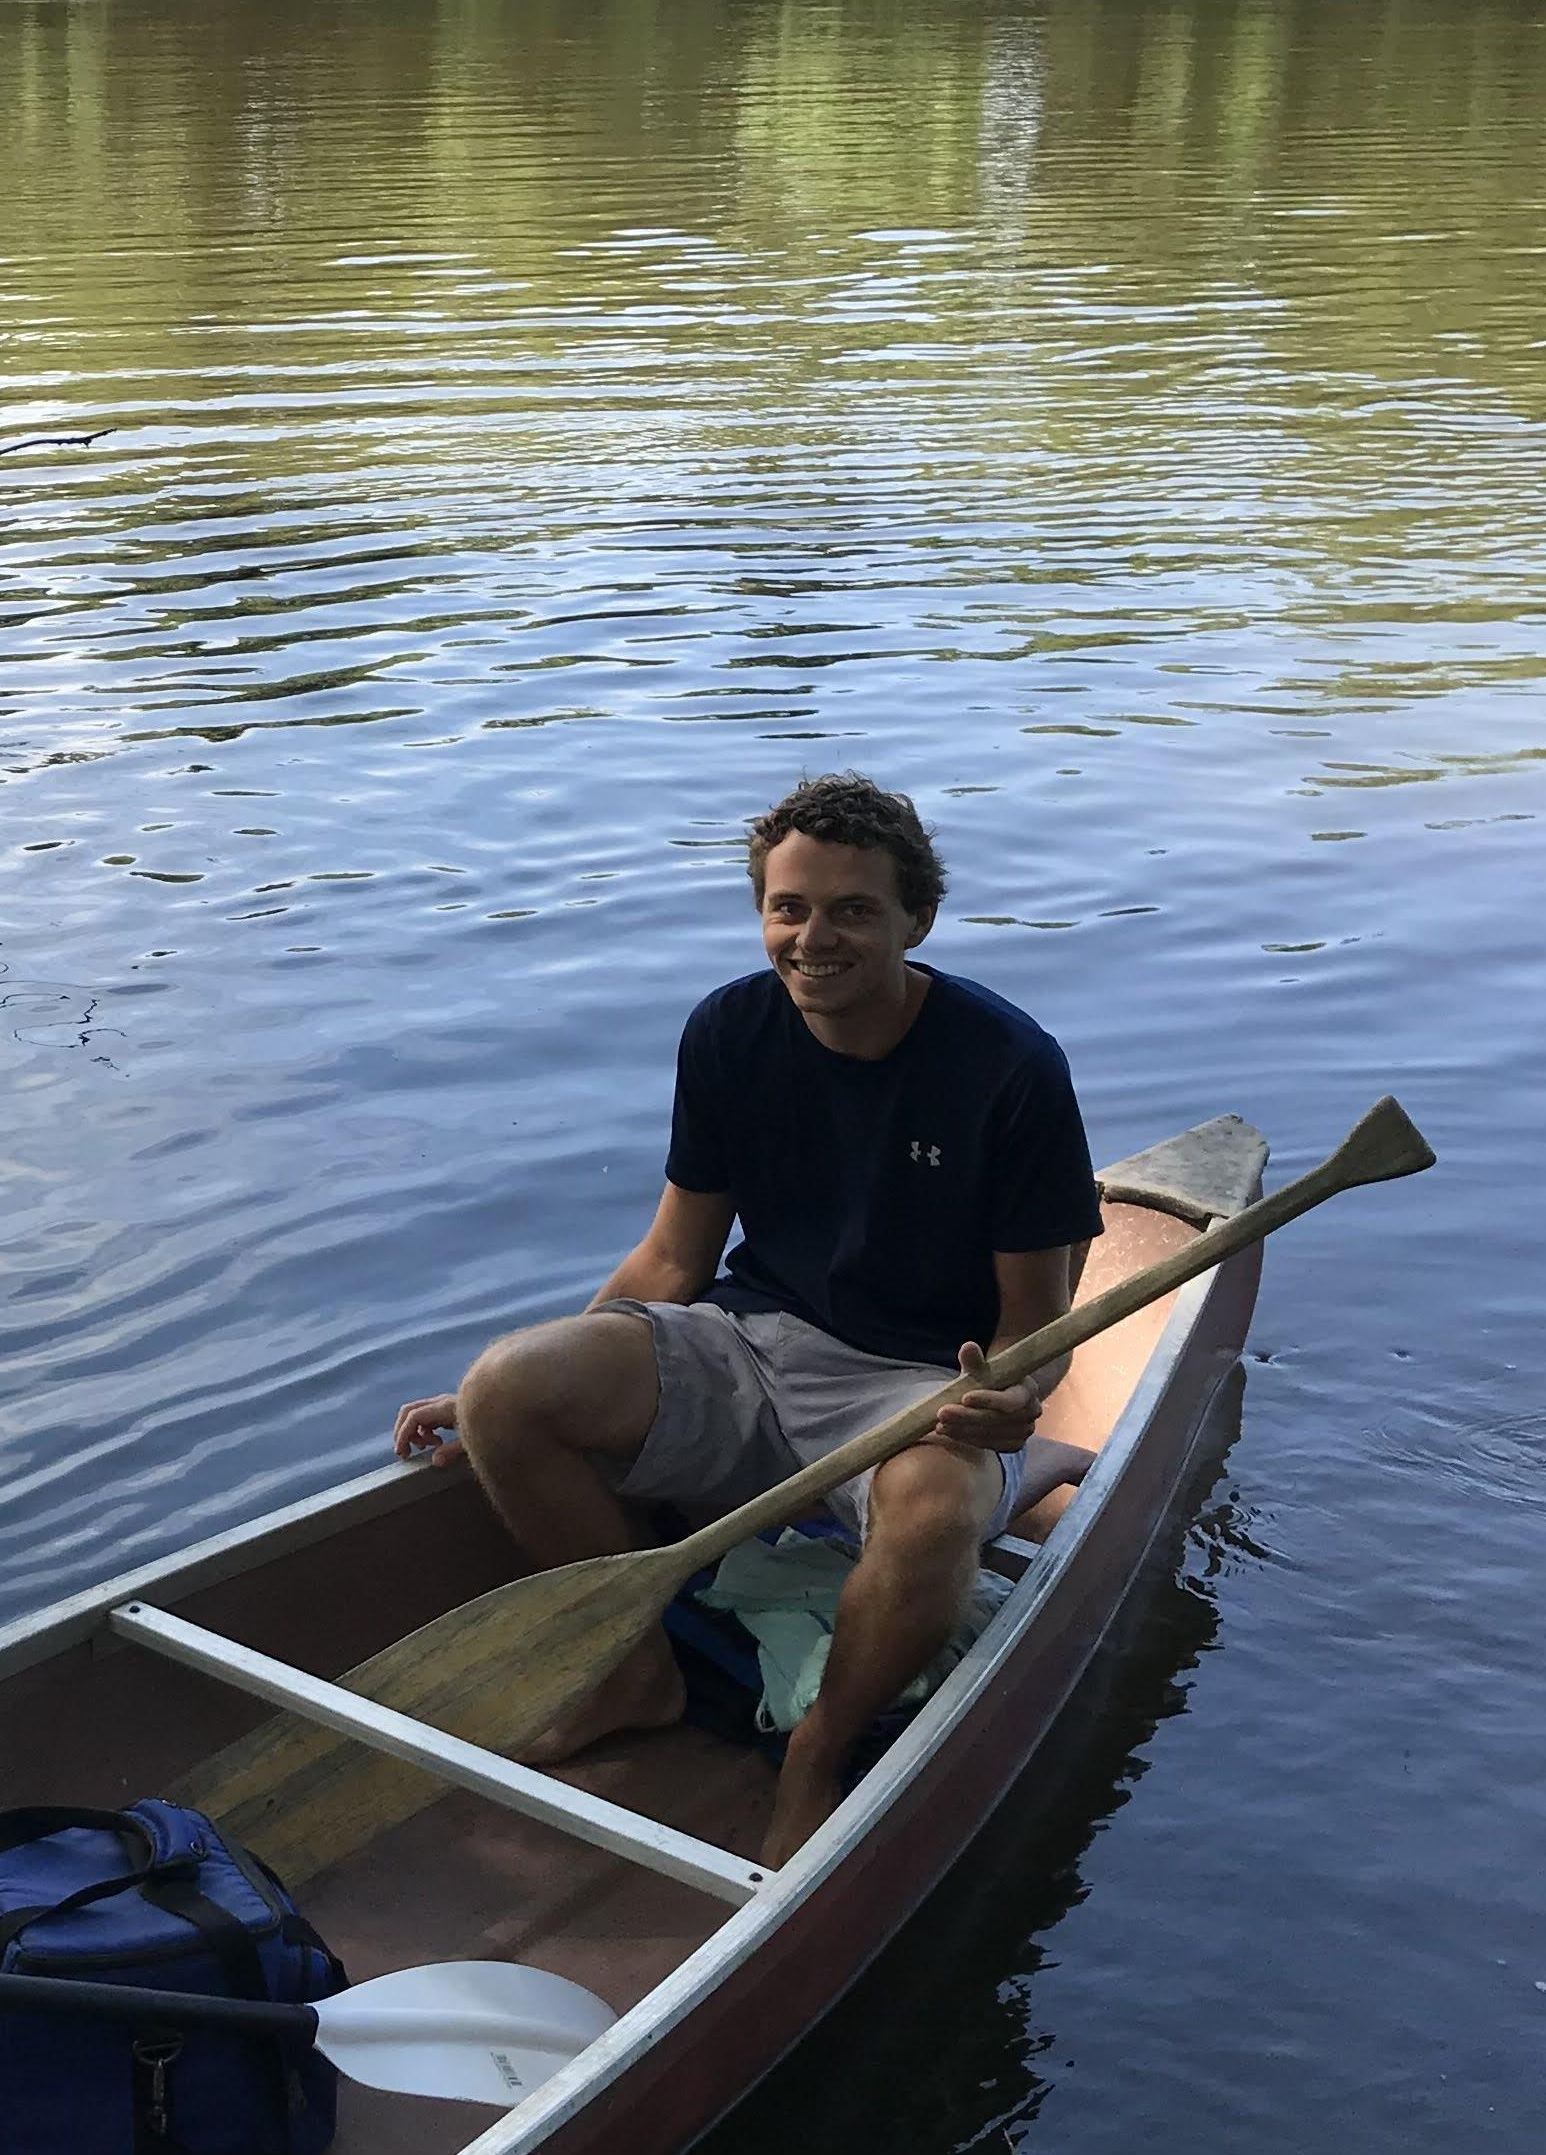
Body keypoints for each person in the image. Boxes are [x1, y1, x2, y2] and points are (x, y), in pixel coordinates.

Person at [391, 775, 1099, 1866]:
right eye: (789, 908)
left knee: (930, 1510)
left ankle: (818, 1751)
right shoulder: (729, 1029)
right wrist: (505, 1398)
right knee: (507, 1387)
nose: (814, 939)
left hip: (925, 1379)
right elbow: (676, 1255)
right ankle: (634, 1670)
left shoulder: (1007, 1068)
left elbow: (1033, 1326)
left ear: (917, 920)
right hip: (754, 1341)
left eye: (853, 910)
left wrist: (1011, 1401)